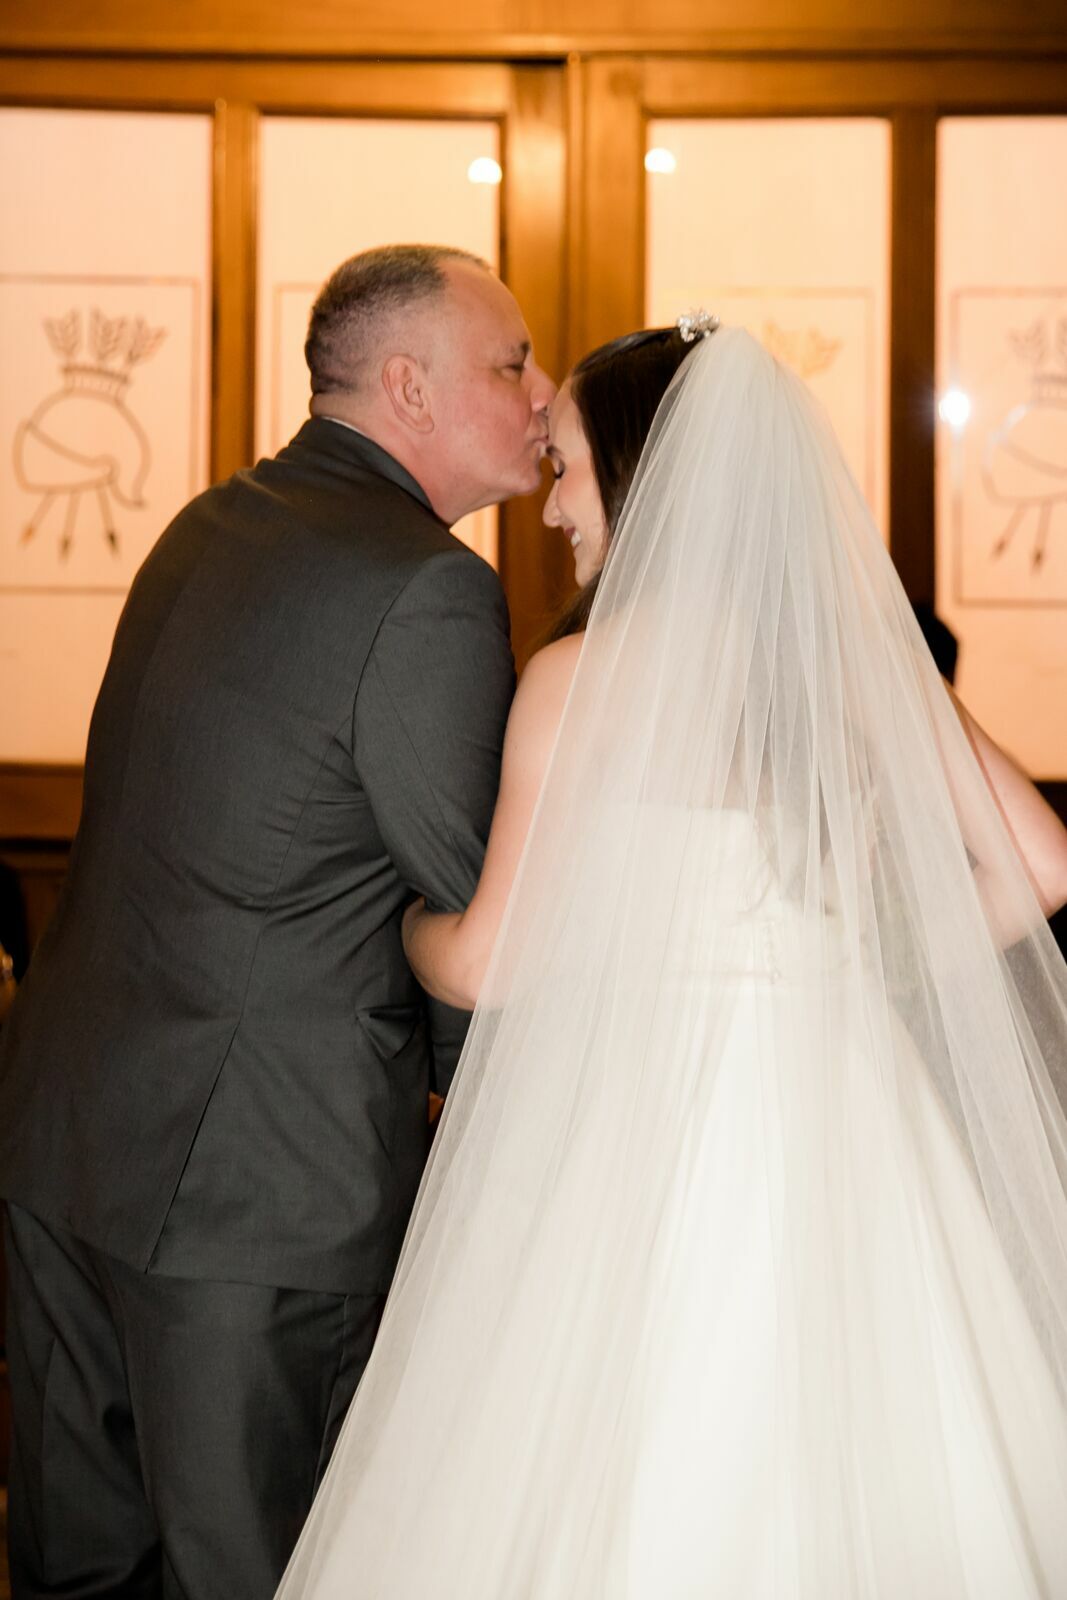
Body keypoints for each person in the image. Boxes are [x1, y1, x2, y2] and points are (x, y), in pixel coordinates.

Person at [276, 323, 1067, 1598]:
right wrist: (849, 957)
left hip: (636, 1120)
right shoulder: (849, 665)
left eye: (572, 471)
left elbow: (490, 964)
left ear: (645, 481)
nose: (553, 511)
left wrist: (399, 925)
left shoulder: (576, 678)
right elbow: (1037, 867)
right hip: (843, 1108)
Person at [0, 243, 554, 1597]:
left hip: (67, 1141)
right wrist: (516, 1174)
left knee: (80, 1572)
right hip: (255, 1202)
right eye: (511, 361)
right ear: (409, 388)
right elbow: (473, 909)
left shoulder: (211, 520)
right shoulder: (425, 587)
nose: (538, 396)